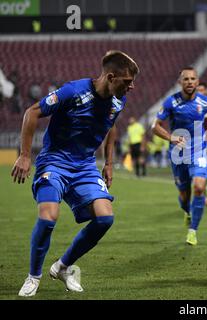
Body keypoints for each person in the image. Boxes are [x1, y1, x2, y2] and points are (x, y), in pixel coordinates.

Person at [11, 50, 139, 297]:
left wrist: (109, 163)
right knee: (48, 218)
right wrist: (25, 155)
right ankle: (33, 276)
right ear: (111, 77)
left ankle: (62, 267)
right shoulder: (73, 91)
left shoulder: (118, 100)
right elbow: (32, 112)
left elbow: (111, 126)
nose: (131, 87)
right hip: (54, 163)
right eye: (127, 82)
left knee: (105, 218)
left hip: (85, 166)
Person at [152, 67, 207, 246]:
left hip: (199, 150)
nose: (190, 82)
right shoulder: (171, 102)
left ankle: (193, 230)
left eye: (193, 79)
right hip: (178, 154)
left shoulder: (206, 101)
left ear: (197, 81)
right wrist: (171, 137)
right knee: (184, 195)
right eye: (186, 79)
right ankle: (187, 210)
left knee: (199, 187)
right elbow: (155, 126)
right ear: (180, 82)